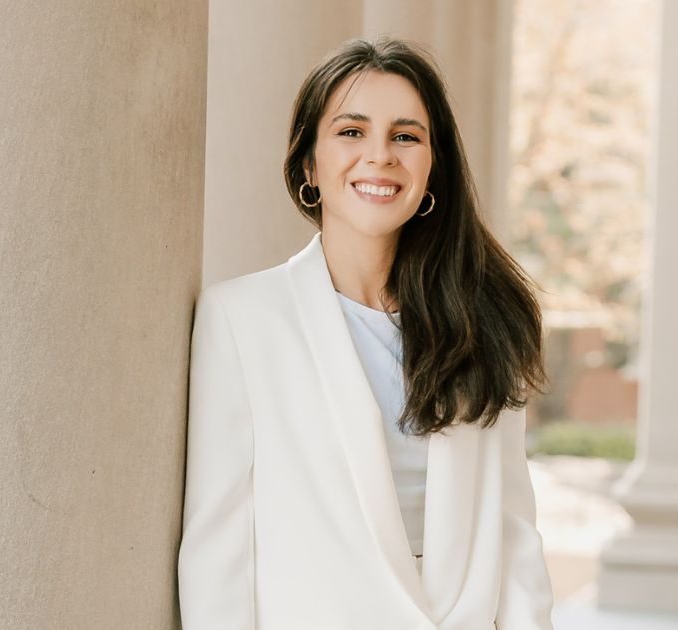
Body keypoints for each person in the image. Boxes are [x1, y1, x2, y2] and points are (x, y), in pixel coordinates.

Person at [177, 36, 555, 629]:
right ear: (309, 163)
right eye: (351, 132)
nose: (380, 156)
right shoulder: (241, 320)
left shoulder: (484, 320)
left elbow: (514, 534)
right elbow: (217, 548)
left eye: (406, 136)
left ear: (434, 167)